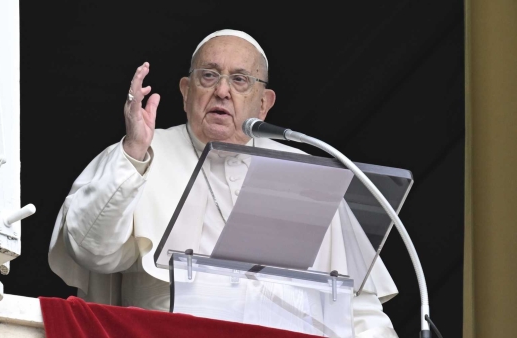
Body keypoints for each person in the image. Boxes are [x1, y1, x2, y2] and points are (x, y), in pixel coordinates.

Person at [48, 29, 399, 337]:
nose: (222, 91)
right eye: (209, 76)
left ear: (264, 103)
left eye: (240, 79)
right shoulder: (141, 152)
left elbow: (359, 309)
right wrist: (134, 153)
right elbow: (91, 251)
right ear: (186, 92)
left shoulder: (307, 172)